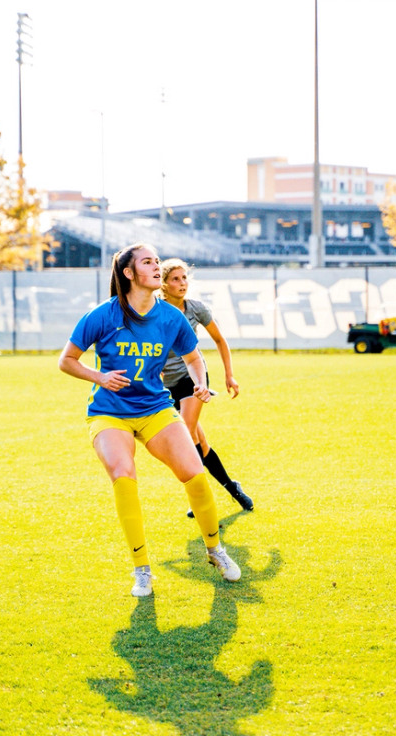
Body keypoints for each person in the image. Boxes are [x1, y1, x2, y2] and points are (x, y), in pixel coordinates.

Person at [58, 243, 242, 597]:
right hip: (110, 412)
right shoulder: (103, 314)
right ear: (129, 273)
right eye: (148, 262)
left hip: (155, 408)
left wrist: (201, 384)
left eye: (157, 261)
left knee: (195, 473)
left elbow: (193, 357)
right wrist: (100, 377)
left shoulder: (171, 316)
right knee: (124, 476)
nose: (157, 267)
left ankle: (215, 550)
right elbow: (66, 360)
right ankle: (142, 570)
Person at [157, 258, 254, 514]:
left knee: (185, 435)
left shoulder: (196, 309)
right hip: (167, 386)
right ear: (164, 284)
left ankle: (197, 496)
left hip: (194, 379)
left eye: (184, 278)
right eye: (175, 279)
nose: (182, 283)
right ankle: (232, 487)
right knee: (200, 442)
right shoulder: (155, 311)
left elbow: (220, 341)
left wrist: (229, 375)